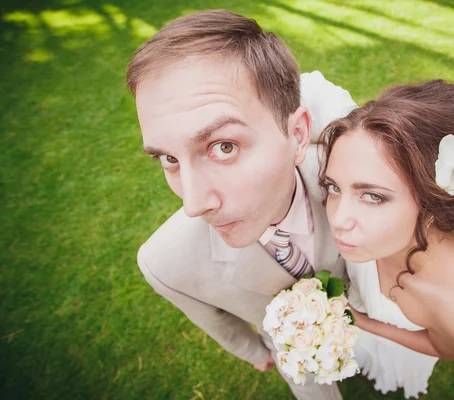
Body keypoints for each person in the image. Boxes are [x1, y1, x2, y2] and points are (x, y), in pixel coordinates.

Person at [126, 10, 355, 400]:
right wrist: (254, 352)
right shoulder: (164, 264)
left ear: (297, 134)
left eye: (224, 147)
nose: (194, 203)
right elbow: (216, 322)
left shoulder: (351, 180)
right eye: (168, 159)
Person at [319, 80, 454, 397]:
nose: (337, 220)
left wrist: (362, 322)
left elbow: (444, 347)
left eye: (373, 196)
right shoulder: (370, 235)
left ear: (432, 199)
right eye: (335, 187)